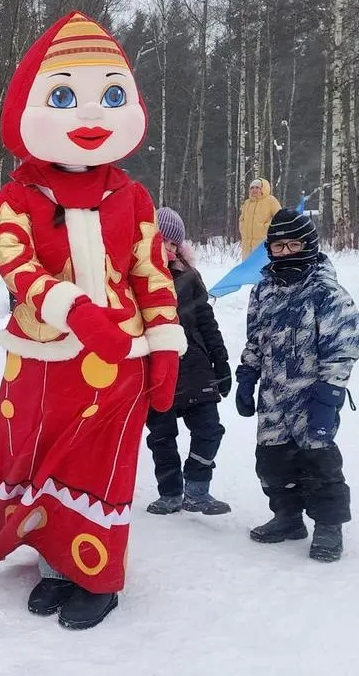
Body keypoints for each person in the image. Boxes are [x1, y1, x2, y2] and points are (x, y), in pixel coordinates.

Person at [0, 11, 187, 631]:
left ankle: (99, 575)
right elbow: (17, 264)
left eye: (110, 97)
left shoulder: (134, 197)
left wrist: (166, 344)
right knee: (42, 460)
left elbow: (151, 273)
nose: (89, 117)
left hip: (118, 357)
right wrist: (73, 309)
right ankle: (58, 566)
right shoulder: (19, 196)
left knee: (101, 467)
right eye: (63, 97)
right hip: (40, 361)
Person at [235, 208, 359, 562]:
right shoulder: (263, 291)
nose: (286, 253)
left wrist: (329, 397)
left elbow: (342, 351)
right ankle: (287, 517)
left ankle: (328, 525)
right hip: (273, 396)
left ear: (309, 245)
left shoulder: (328, 294)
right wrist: (246, 376)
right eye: (278, 246)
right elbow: (256, 340)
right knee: (272, 460)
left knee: (318, 461)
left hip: (312, 396)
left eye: (294, 244)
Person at [144, 207, 232, 516]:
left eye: (174, 245)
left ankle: (197, 489)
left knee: (210, 430)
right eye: (163, 242)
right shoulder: (135, 280)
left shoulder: (188, 277)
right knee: (162, 437)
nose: (169, 250)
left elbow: (207, 323)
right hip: (155, 373)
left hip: (195, 368)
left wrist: (220, 362)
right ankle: (169, 493)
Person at [238, 178, 281, 260]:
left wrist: (266, 228)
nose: (254, 190)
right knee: (248, 270)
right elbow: (242, 219)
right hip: (247, 246)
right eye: (252, 188)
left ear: (263, 189)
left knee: (263, 269)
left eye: (257, 187)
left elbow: (280, 217)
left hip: (263, 244)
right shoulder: (247, 203)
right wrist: (243, 229)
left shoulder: (271, 200)